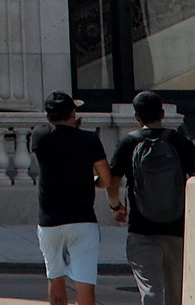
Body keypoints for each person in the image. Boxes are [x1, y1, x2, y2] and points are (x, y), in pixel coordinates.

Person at [108, 89, 195, 305]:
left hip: (141, 228)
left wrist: (116, 207)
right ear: (162, 113)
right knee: (176, 293)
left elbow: (112, 181)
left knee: (150, 289)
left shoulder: (128, 143)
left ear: (137, 117)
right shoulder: (181, 141)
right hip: (176, 228)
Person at [32, 90, 117, 305]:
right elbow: (106, 180)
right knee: (85, 283)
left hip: (49, 221)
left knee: (55, 276)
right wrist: (93, 181)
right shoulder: (89, 139)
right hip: (82, 219)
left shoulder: (39, 136)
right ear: (73, 113)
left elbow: (58, 139)